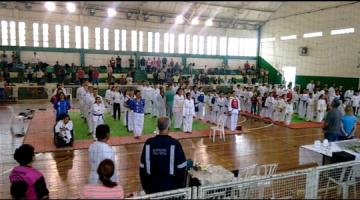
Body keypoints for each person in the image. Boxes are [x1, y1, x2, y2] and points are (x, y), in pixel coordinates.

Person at [139, 117, 187, 194]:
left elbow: (142, 169)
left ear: (158, 127)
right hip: (170, 186)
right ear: (168, 128)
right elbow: (182, 168)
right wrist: (179, 186)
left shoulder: (148, 143)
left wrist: (146, 187)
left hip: (152, 186)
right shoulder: (175, 144)